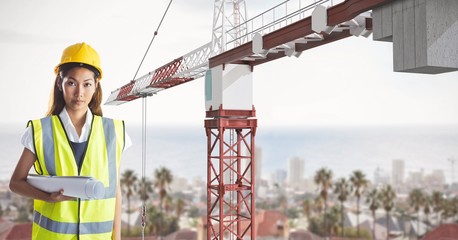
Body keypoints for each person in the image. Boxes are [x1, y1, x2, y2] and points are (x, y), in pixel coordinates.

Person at [9, 42, 129, 240]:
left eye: (87, 84)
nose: (79, 92)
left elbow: (115, 192)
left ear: (96, 85)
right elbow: (15, 183)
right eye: (71, 83)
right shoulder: (39, 131)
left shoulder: (114, 131)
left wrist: (116, 238)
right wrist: (47, 198)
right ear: (59, 83)